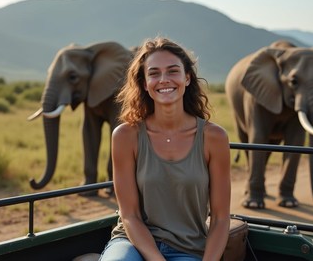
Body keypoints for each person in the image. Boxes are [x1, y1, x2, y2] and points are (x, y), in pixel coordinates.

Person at [99, 37, 231, 261]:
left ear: (187, 78)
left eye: (172, 71)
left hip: (188, 248)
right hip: (132, 243)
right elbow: (129, 215)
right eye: (153, 73)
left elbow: (220, 218)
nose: (163, 80)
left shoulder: (214, 138)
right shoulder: (125, 136)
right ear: (144, 84)